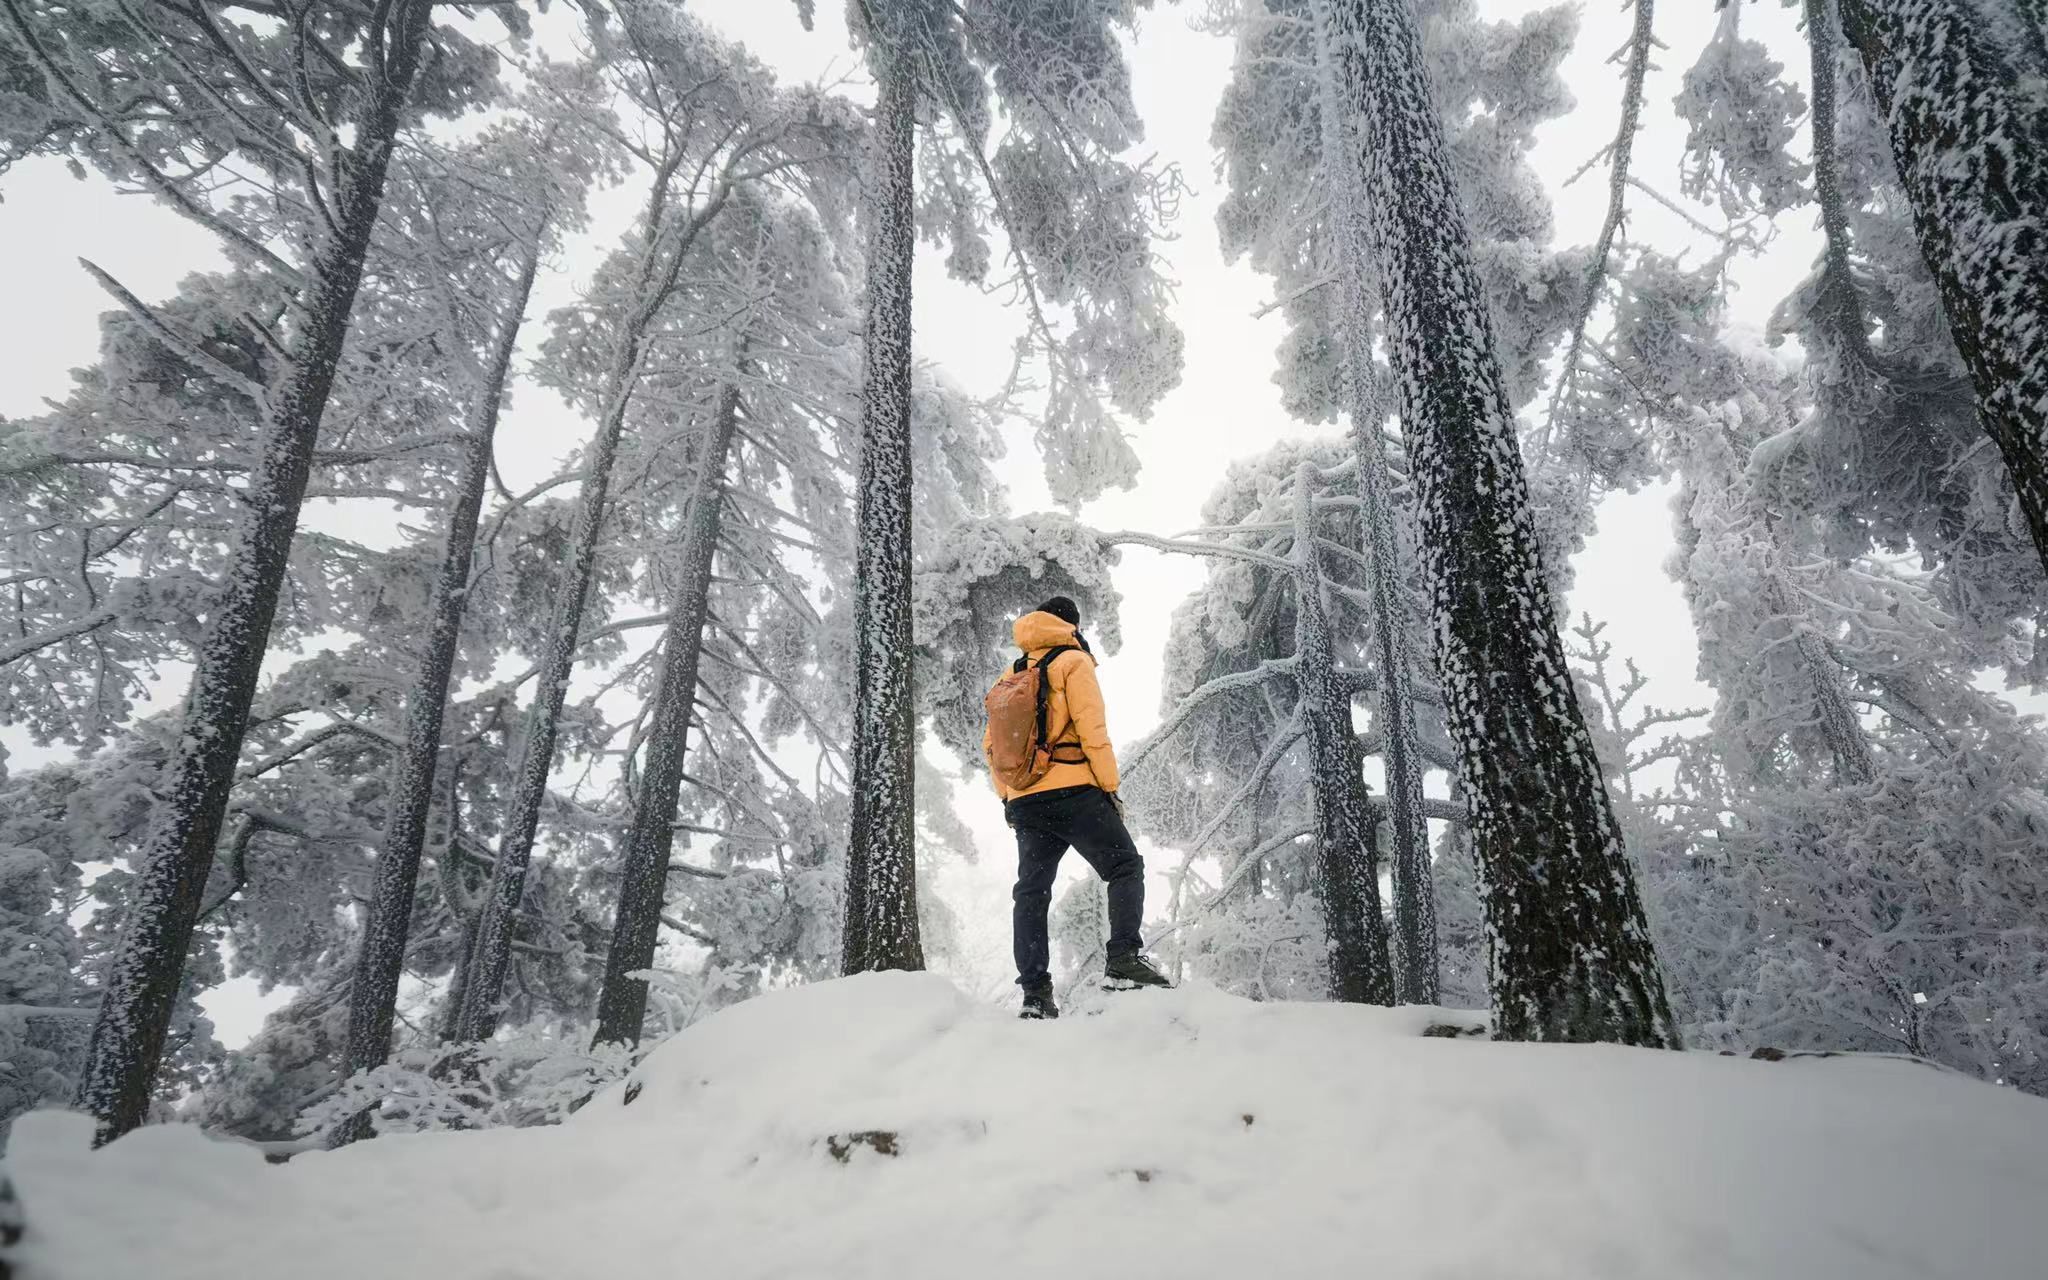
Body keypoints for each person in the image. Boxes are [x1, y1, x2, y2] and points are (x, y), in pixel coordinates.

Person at [983, 596, 1170, 1019]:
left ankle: (1035, 995)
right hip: (1074, 792)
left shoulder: (1012, 673)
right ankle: (1123, 961)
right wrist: (1109, 787)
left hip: (1025, 801)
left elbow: (991, 745)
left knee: (1030, 894)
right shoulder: (1073, 662)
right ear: (1070, 625)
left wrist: (1008, 795)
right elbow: (1092, 730)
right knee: (1124, 867)